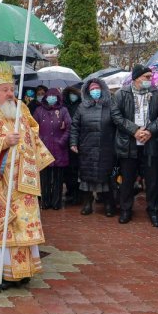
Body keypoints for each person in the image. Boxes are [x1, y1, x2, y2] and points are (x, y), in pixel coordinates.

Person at [0, 62, 54, 286]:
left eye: (11, 88)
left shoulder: (20, 112)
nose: (10, 94)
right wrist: (3, 143)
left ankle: (21, 271)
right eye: (4, 90)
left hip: (22, 184)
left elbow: (33, 133)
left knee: (22, 227)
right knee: (1, 227)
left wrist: (29, 151)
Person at [111, 65, 158, 226]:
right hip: (129, 143)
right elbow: (116, 116)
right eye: (147, 77)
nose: (150, 80)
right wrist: (134, 130)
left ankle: (154, 210)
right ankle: (125, 210)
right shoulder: (121, 94)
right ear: (136, 78)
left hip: (150, 144)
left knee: (153, 180)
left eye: (151, 77)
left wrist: (149, 131)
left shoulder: (156, 94)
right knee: (127, 180)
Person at [70, 78, 118, 216]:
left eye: (97, 89)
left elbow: (117, 124)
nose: (95, 91)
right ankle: (87, 204)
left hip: (106, 148)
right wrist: (73, 143)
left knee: (107, 177)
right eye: (92, 90)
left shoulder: (110, 105)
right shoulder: (82, 107)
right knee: (86, 177)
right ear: (87, 92)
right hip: (87, 148)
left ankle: (109, 205)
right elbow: (75, 126)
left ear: (102, 90)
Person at [34, 87, 71, 209]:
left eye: (54, 96)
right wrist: (40, 142)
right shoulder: (39, 111)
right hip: (43, 149)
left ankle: (56, 203)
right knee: (44, 177)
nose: (51, 98)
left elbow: (69, 128)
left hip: (59, 149)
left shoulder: (63, 111)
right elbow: (33, 127)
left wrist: (62, 141)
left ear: (58, 98)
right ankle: (45, 202)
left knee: (58, 178)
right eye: (49, 96)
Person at [62, 84, 82, 203]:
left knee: (76, 168)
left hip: (78, 141)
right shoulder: (64, 107)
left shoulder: (81, 106)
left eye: (74, 94)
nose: (73, 96)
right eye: (71, 94)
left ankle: (77, 193)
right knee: (68, 169)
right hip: (65, 141)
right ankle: (70, 190)